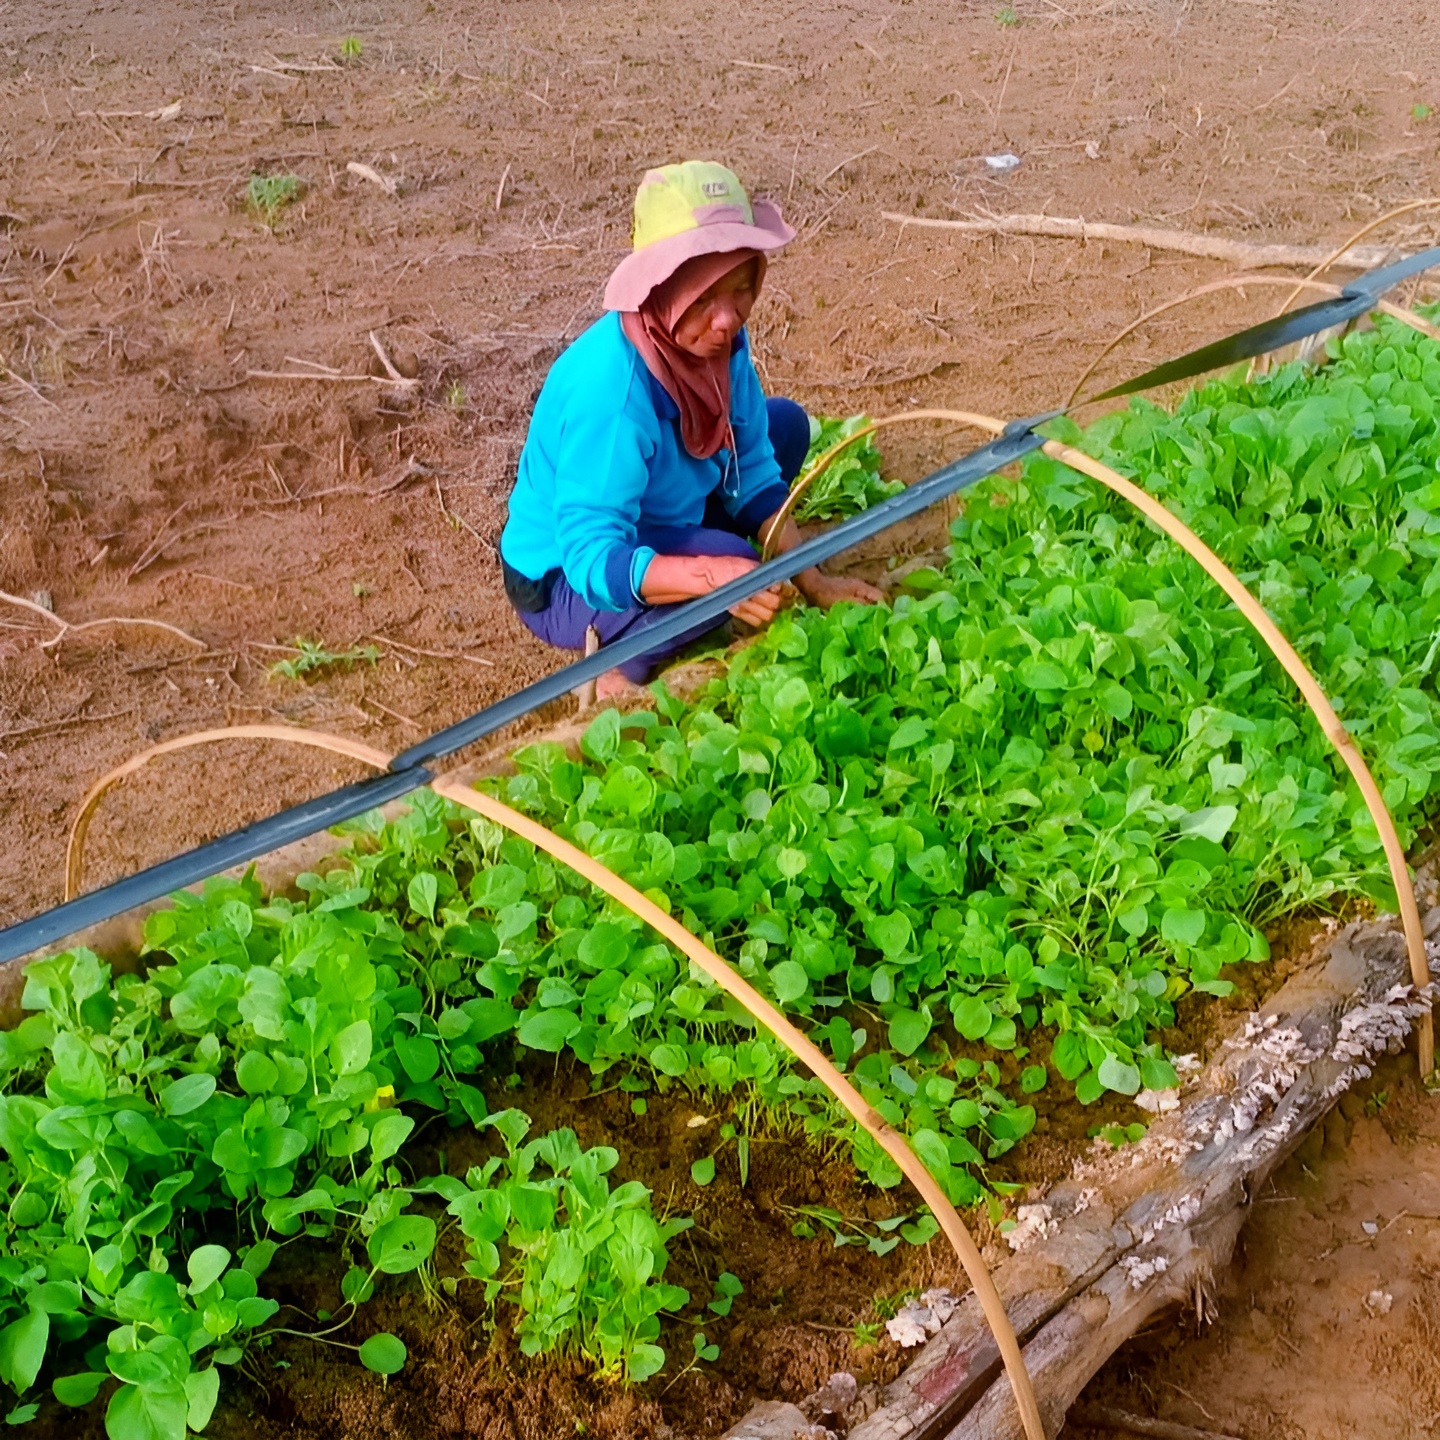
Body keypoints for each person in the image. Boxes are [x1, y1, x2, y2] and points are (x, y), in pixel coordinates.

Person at [499, 160, 882, 698]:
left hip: (656, 504)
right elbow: (590, 556)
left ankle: (699, 554)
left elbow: (751, 466)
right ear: (660, 290)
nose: (727, 319)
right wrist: (712, 577)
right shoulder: (613, 391)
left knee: (786, 426)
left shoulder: (719, 345)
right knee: (738, 571)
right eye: (703, 298)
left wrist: (814, 582)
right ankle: (618, 660)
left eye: (741, 287)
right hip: (562, 574)